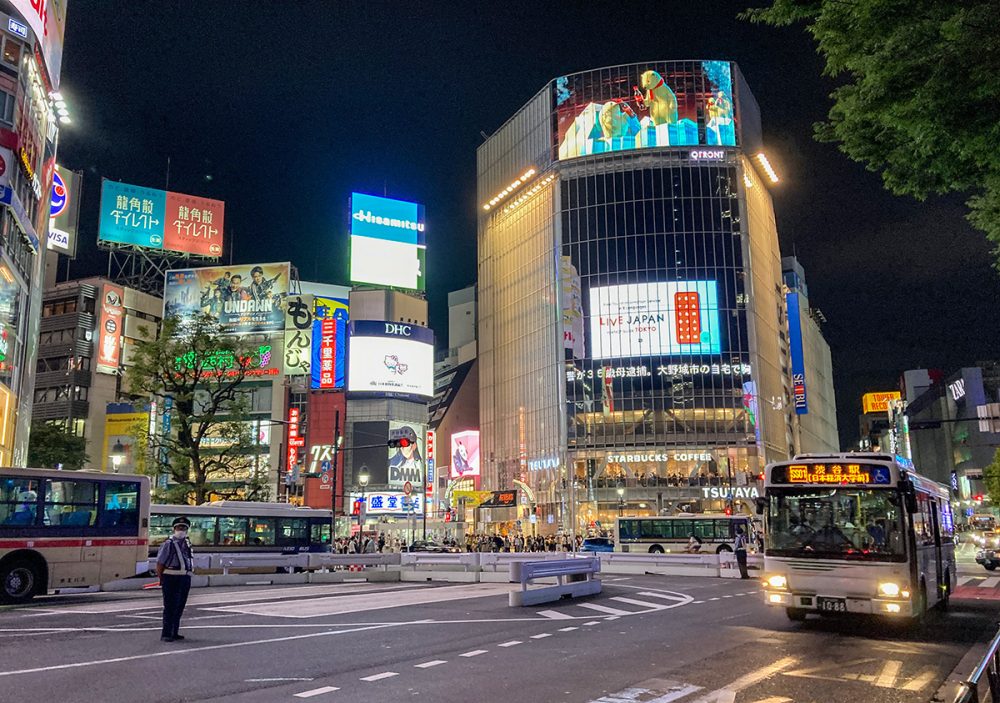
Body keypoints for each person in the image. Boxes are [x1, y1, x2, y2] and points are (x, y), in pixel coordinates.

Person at [156, 517, 194, 642]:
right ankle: (166, 633)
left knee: (180, 605)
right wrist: (161, 578)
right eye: (179, 527)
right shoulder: (169, 543)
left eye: (184, 528)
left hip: (184, 577)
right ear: (174, 529)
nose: (181, 530)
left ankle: (174, 631)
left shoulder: (187, 543)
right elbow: (160, 563)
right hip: (171, 577)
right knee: (170, 606)